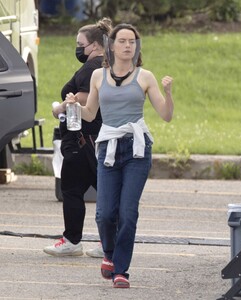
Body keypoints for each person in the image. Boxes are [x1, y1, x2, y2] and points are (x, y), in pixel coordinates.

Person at [65, 23, 174, 288]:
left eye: (132, 41)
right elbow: (91, 114)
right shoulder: (98, 77)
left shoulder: (145, 76)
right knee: (104, 214)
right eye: (123, 41)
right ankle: (110, 255)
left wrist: (168, 92)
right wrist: (73, 106)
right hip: (108, 149)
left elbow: (166, 115)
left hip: (137, 149)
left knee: (127, 212)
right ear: (111, 45)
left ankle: (121, 270)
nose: (128, 46)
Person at [43, 17, 112, 257]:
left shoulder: (92, 68)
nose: (78, 47)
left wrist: (59, 108)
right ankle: (86, 240)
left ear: (94, 44)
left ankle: (78, 241)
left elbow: (82, 98)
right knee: (85, 189)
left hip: (85, 139)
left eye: (80, 43)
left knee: (82, 190)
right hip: (89, 137)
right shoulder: (103, 65)